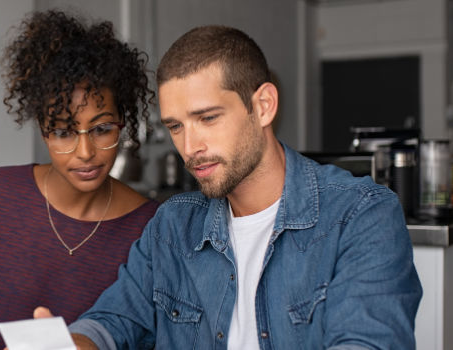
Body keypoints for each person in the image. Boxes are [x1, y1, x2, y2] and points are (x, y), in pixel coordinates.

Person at [37, 25, 422, 349]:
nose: (190, 147)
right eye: (176, 126)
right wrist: (69, 344)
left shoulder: (361, 216)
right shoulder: (172, 225)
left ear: (264, 106)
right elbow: (112, 321)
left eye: (207, 118)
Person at [0, 10, 159, 350]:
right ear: (43, 131)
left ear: (123, 122)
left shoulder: (150, 227)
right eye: (63, 132)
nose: (85, 151)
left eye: (102, 129)